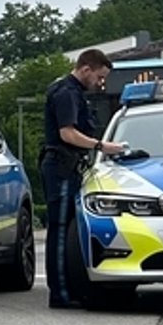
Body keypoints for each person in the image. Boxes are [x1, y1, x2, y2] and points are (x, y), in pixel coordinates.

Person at [41, 49, 124, 309]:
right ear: (86, 69)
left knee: (64, 229)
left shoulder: (70, 91)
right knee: (62, 230)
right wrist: (102, 146)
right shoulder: (66, 93)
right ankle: (62, 293)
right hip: (62, 166)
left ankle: (66, 290)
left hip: (64, 165)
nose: (101, 83)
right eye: (99, 77)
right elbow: (68, 134)